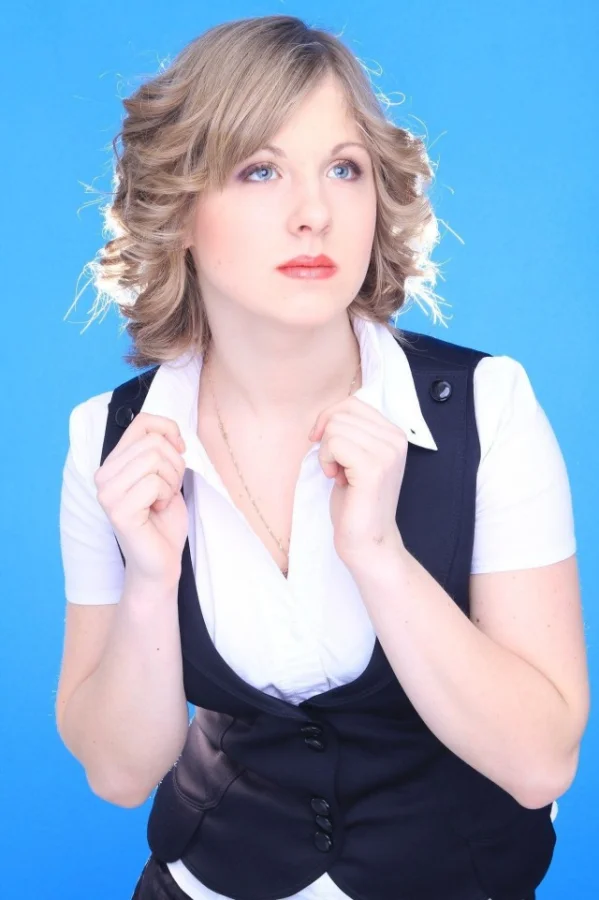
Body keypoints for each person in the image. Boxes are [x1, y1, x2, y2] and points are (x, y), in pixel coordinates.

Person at [55, 14, 589, 900]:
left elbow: (539, 763)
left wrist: (378, 555)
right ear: (177, 208)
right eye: (260, 170)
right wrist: (148, 583)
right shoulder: (108, 442)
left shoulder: (487, 408)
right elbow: (118, 774)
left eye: (344, 168)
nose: (315, 213)